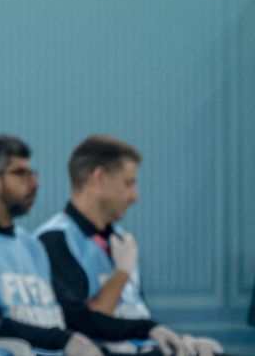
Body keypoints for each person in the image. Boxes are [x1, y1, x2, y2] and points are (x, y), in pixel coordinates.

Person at [36, 136, 222, 356]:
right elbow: (83, 327)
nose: (135, 196)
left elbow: (135, 314)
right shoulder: (55, 240)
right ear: (99, 178)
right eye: (128, 183)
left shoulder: (122, 240)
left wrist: (178, 342)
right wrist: (122, 273)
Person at [0, 135, 101, 356]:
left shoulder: (33, 245)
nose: (35, 184)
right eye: (20, 173)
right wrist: (62, 340)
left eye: (32, 173)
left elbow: (65, 313)